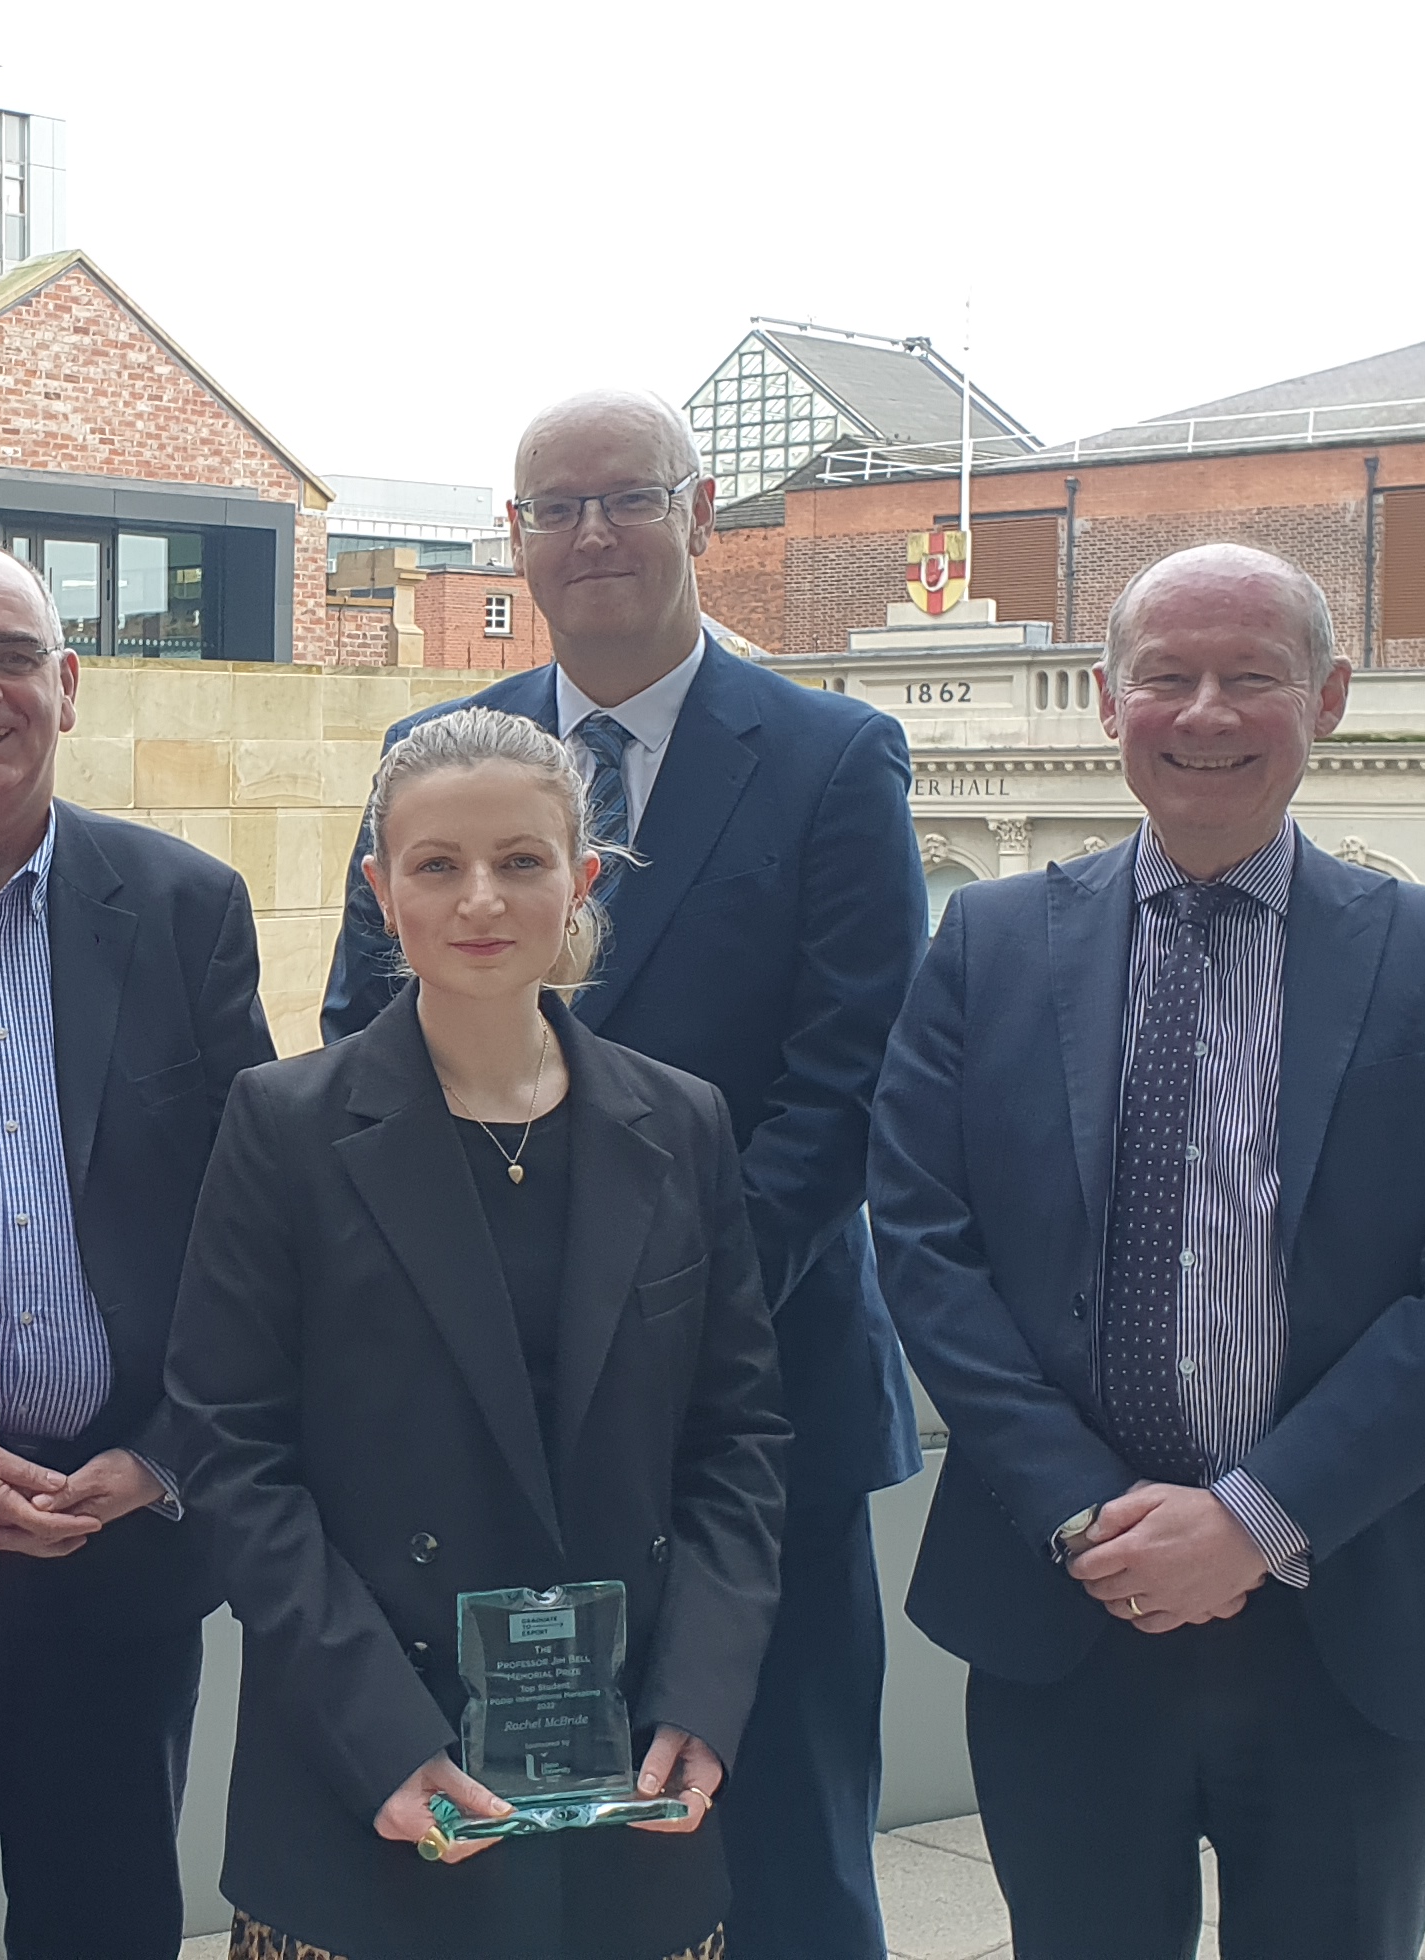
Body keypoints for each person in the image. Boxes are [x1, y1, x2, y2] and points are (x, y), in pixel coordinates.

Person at [869, 544, 1425, 1957]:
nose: (1206, 715)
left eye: (1253, 677)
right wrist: (1087, 1513)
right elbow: (926, 1245)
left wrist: (1252, 1520)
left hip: (1348, 1614)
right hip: (1069, 1603)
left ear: (1330, 698)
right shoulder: (988, 944)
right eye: (1167, 678)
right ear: (1109, 697)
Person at [320, 389, 922, 1957]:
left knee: (781, 1845)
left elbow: (845, 1089)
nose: (592, 534)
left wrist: (653, 1318)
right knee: (529, 1867)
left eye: (627, 498)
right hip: (481, 1420)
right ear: (514, 539)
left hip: (749, 1409)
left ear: (702, 510)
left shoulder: (835, 759)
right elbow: (354, 1041)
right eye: (555, 507)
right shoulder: (433, 755)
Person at [174, 707, 791, 1960]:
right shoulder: (283, 1126)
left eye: (521, 860)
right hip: (374, 1772)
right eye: (437, 865)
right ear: (380, 892)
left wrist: (702, 1695)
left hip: (630, 1768)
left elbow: (740, 1440)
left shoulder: (682, 1124)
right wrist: (381, 1731)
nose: (481, 899)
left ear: (583, 880)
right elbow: (236, 1454)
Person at [0, 545, 278, 1960]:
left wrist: (166, 1453)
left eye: (15, 656)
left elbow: (254, 1229)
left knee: (107, 1923)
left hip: (117, 1535)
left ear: (69, 686)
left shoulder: (184, 907)